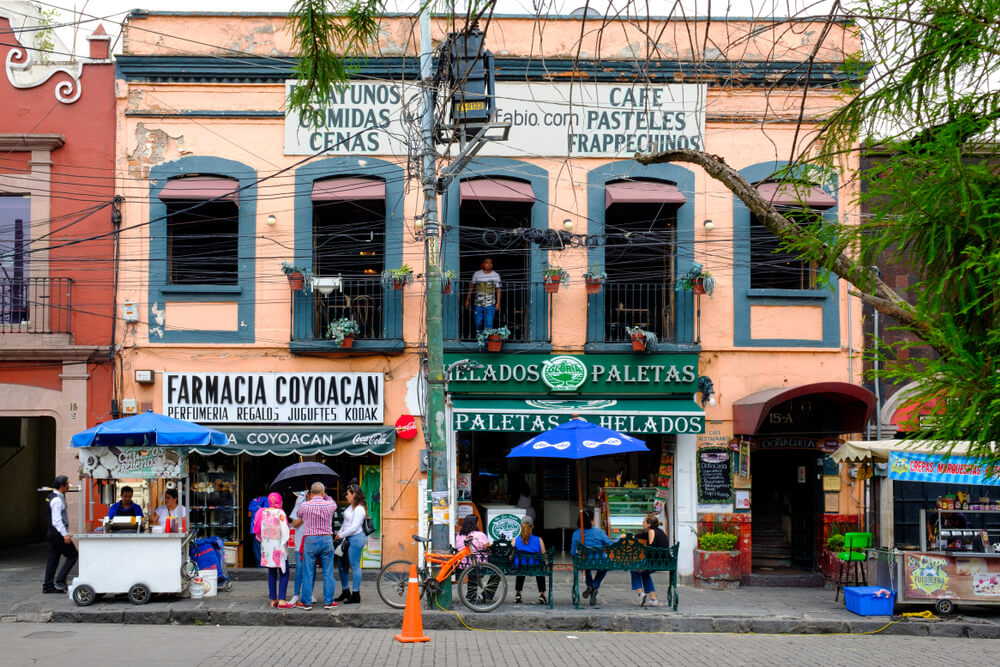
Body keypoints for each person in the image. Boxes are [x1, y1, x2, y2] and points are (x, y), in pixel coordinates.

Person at [291, 481, 337, 610]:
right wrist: (325, 495)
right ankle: (329, 601)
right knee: (328, 572)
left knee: (308, 571)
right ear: (323, 492)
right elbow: (332, 501)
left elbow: (298, 515)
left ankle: (306, 602)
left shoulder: (305, 505)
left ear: (310, 493)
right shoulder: (330, 504)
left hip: (310, 541)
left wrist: (307, 497)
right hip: (327, 539)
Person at [254, 492, 292, 608]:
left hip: (267, 548)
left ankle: (273, 600)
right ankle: (282, 600)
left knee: (271, 573)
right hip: (279, 548)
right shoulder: (280, 513)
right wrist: (285, 545)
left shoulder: (262, 512)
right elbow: (285, 532)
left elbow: (258, 531)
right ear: (279, 501)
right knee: (284, 572)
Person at [569, 509, 615, 606]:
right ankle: (595, 585)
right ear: (591, 520)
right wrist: (620, 538)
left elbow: (573, 552)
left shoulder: (576, 534)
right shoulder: (599, 532)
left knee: (586, 565)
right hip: (600, 562)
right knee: (606, 565)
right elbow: (611, 544)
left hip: (584, 562)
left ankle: (589, 585)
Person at [43, 475, 78, 594]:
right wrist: (65, 535)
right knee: (73, 555)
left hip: (52, 532)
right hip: (57, 533)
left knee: (53, 559)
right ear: (62, 486)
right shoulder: (57, 500)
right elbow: (57, 520)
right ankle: (60, 580)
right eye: (67, 484)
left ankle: (47, 586)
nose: (69, 486)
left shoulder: (51, 496)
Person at [334, 483, 368, 604]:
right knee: (341, 563)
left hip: (356, 538)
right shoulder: (351, 507)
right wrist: (340, 533)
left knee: (354, 565)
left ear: (354, 494)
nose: (346, 496)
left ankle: (355, 594)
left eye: (348, 494)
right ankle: (345, 591)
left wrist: (341, 535)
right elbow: (346, 523)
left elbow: (354, 527)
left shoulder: (359, 509)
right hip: (347, 538)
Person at [630, 514, 669, 606]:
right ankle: (653, 599)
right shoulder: (659, 531)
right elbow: (640, 535)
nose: (642, 523)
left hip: (656, 562)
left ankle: (640, 594)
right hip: (666, 561)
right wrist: (631, 536)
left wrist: (644, 565)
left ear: (649, 524)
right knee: (644, 572)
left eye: (644, 521)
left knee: (633, 567)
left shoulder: (651, 532)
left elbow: (651, 550)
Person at [513, 516, 547, 605]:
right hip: (535, 567)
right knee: (539, 567)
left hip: (520, 567)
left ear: (521, 527)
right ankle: (542, 594)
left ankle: (518, 593)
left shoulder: (515, 540)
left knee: (521, 566)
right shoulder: (539, 540)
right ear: (532, 526)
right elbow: (544, 554)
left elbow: (511, 555)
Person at [464, 257, 502, 331]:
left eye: (491, 263)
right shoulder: (477, 274)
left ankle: (487, 341)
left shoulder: (496, 275)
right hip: (478, 303)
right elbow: (472, 287)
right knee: (477, 322)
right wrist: (467, 300)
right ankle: (480, 338)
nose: (489, 264)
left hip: (490, 304)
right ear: (482, 264)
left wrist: (498, 303)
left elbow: (498, 289)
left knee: (489, 324)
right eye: (487, 262)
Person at [288, 489, 309, 606]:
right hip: (300, 540)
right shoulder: (300, 501)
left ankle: (309, 593)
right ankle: (296, 594)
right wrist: (305, 516)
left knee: (311, 569)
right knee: (299, 568)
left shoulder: (318, 503)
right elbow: (294, 523)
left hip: (312, 541)